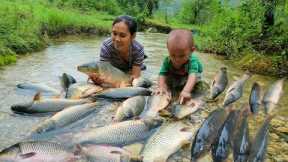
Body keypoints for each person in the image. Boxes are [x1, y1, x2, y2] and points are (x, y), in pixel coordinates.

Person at [89, 15, 146, 85]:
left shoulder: (138, 49)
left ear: (133, 36)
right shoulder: (106, 46)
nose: (117, 39)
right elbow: (104, 70)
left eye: (122, 35)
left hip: (130, 69)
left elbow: (135, 77)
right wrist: (98, 80)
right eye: (114, 33)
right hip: (114, 69)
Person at [155, 29, 203, 104]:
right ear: (168, 49)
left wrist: (186, 91)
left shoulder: (192, 61)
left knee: (197, 86)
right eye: (173, 55)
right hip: (176, 74)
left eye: (182, 56)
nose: (177, 59)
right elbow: (162, 74)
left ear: (192, 51)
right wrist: (161, 86)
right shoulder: (167, 61)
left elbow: (192, 76)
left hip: (190, 76)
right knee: (167, 83)